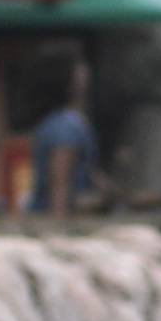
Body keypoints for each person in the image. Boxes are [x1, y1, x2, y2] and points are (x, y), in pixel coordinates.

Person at [27, 52, 110, 215]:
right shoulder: (65, 126)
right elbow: (60, 189)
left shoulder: (71, 122)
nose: (85, 71)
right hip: (57, 223)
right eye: (77, 68)